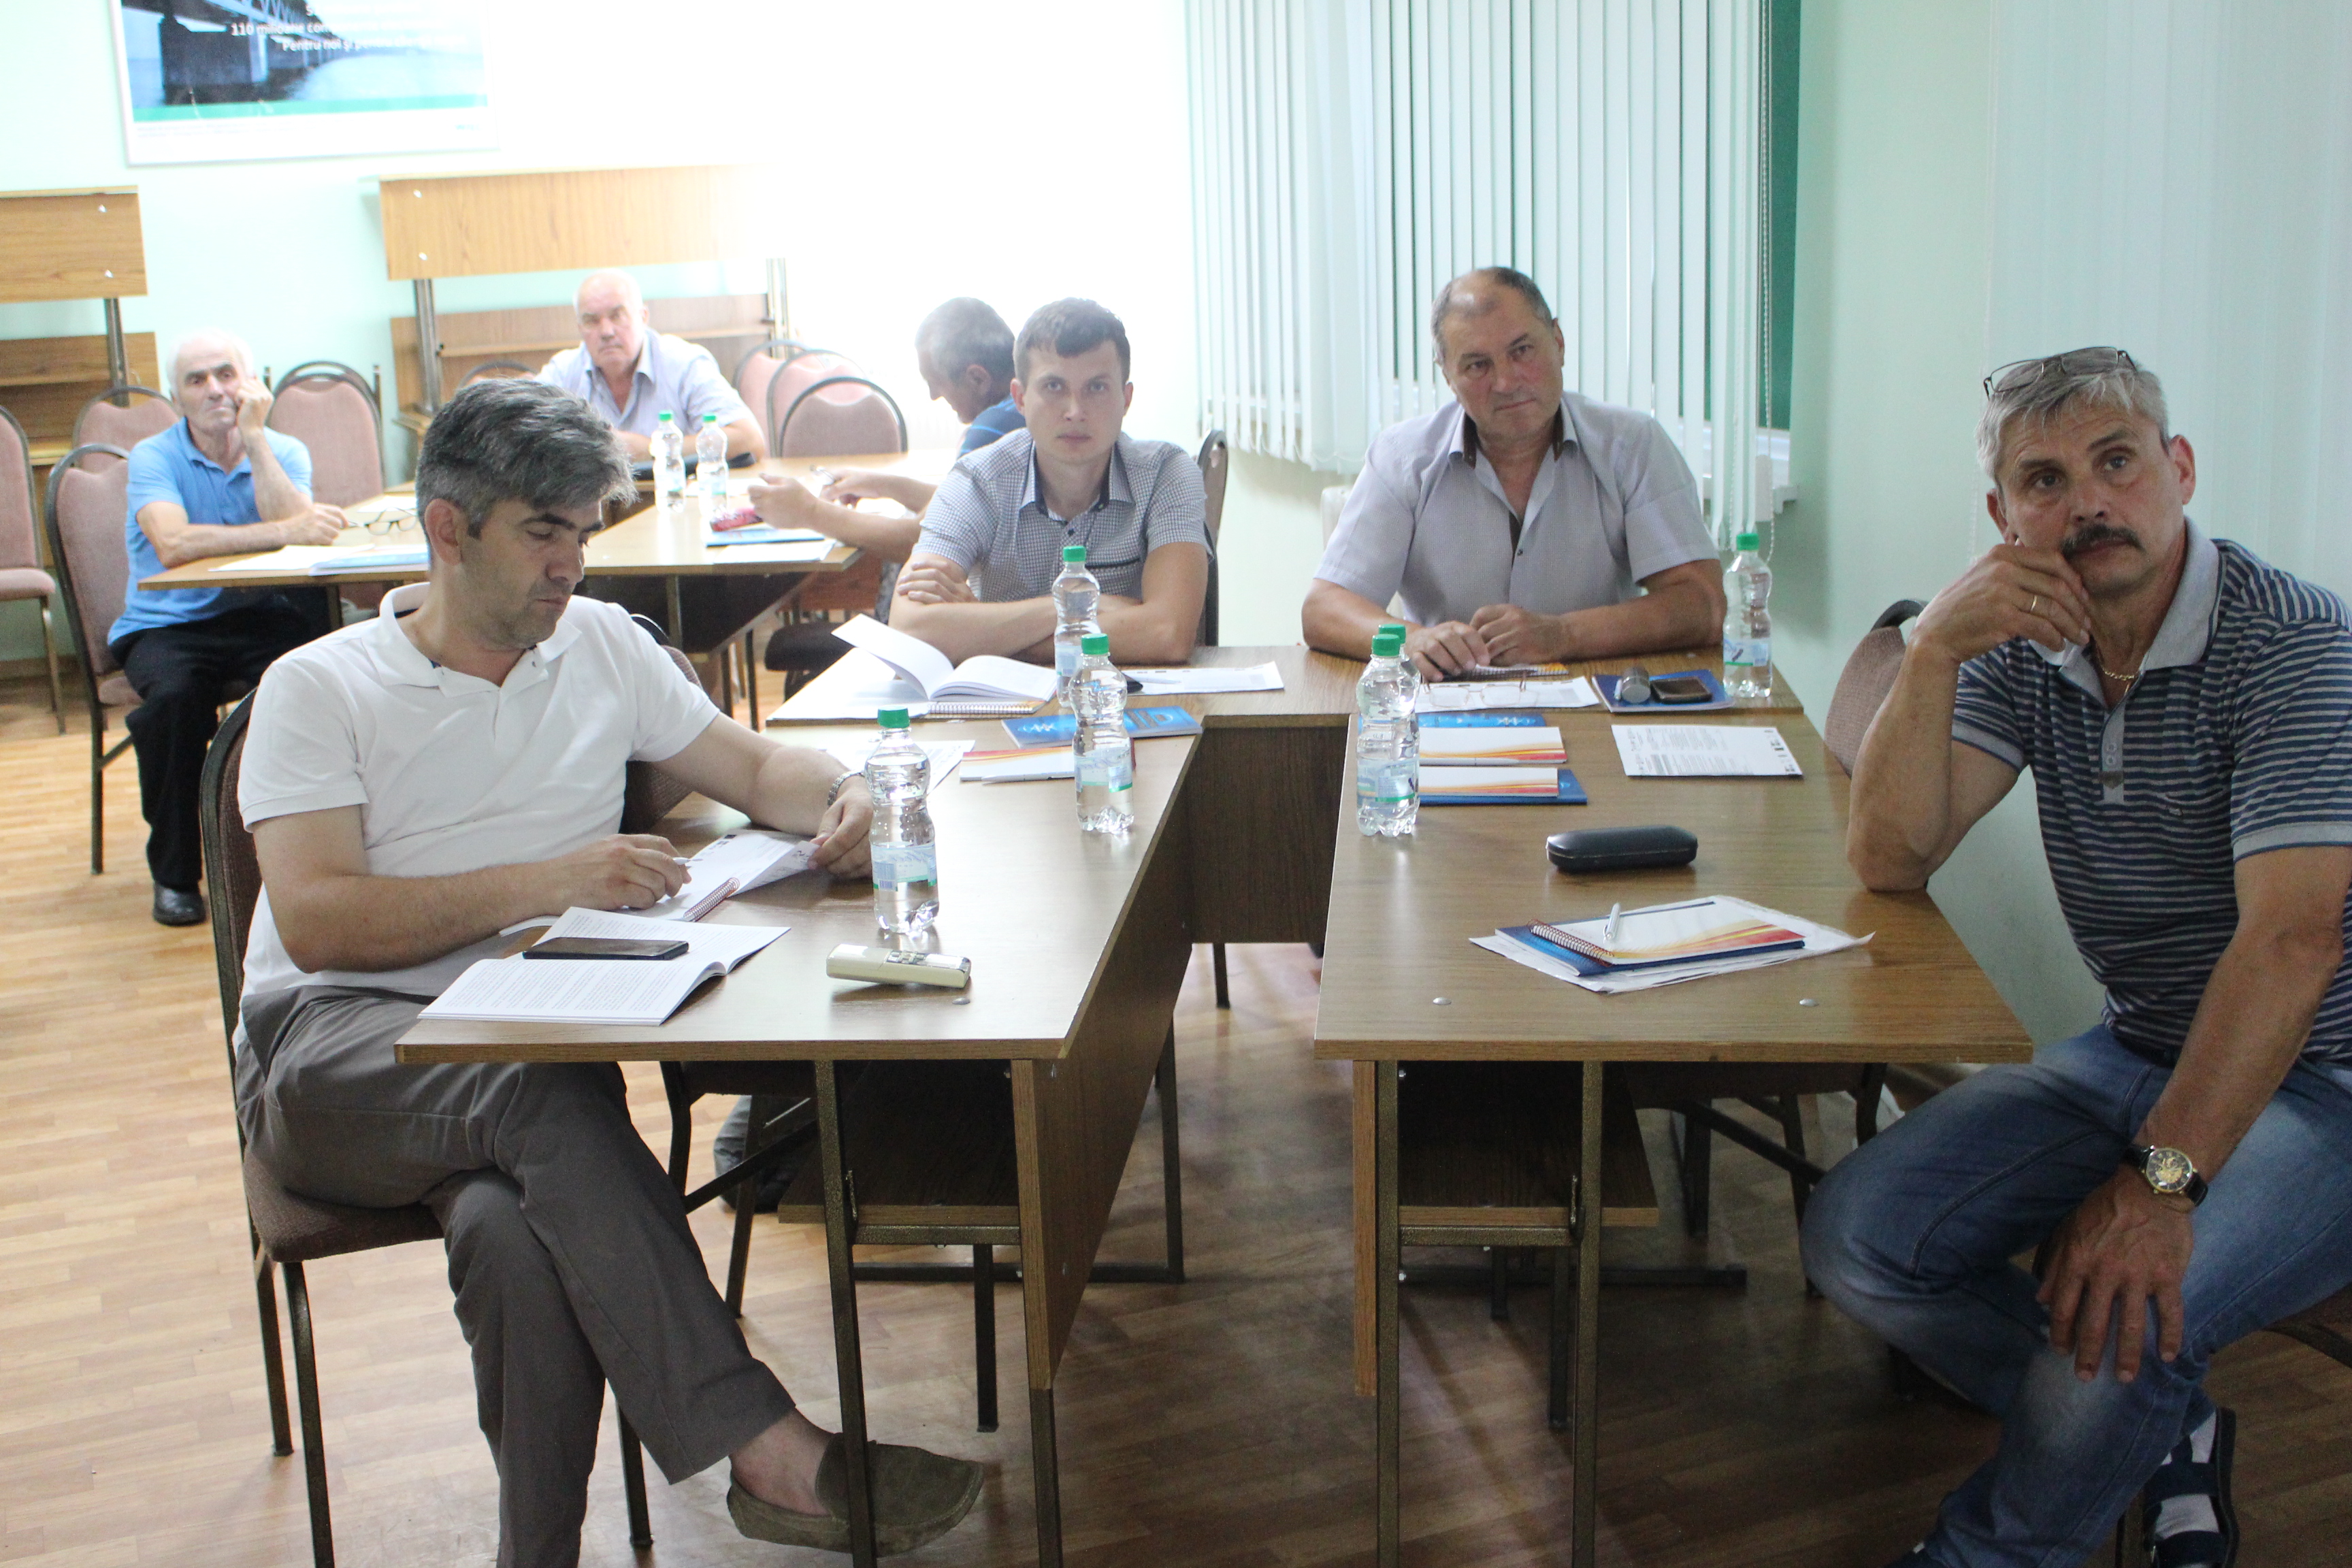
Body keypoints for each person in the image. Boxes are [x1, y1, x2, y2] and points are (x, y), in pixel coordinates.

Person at [232, 378, 983, 1565]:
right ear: (447, 528)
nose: (571, 564)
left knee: (512, 1234)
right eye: (544, 532)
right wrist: (545, 881)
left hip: (526, 1045)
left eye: (583, 532)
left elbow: (752, 767)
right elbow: (317, 922)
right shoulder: (320, 687)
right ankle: (766, 1446)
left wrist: (844, 789)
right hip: (332, 1054)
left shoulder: (598, 643)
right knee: (540, 1090)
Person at [1803, 348, 2352, 1568]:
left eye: (2117, 461)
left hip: (2323, 1078)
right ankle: (2162, 1429)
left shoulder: (2293, 644)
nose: (2089, 502)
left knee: (2120, 1316)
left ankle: (1990, 1547)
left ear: (2180, 468)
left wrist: (2160, 1188)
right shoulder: (2026, 636)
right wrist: (1932, 652)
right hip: (2136, 1042)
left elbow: (2291, 942)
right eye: (2044, 479)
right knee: (1859, 1233)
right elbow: (1891, 856)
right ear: (2003, 515)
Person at [1301, 267, 1725, 679]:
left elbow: (1702, 605)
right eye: (1477, 365)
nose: (1505, 382)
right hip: (1450, 701)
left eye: (1522, 351)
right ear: (1448, 375)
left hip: (1600, 694)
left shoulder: (1632, 446)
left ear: (1559, 342)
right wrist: (1413, 640)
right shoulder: (1403, 458)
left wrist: (1564, 634)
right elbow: (1324, 609)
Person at [108, 330, 344, 926]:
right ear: (176, 397)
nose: (215, 390)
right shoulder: (154, 456)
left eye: (226, 374)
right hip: (168, 625)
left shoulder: (283, 450)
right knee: (175, 703)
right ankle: (175, 876)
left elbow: (304, 535)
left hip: (259, 617)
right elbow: (173, 543)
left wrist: (255, 438)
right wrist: (282, 532)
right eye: (197, 380)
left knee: (317, 681)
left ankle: (304, 855)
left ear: (251, 383)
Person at [888, 297, 1210, 665]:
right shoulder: (977, 479)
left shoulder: (1166, 473)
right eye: (1054, 386)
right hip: (1000, 700)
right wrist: (1076, 607)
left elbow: (1167, 634)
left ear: (1126, 399)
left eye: (1097, 388)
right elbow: (910, 631)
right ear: (1020, 398)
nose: (1075, 411)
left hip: (1124, 695)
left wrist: (982, 634)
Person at [746, 297, 1022, 568]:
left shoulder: (993, 430)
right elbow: (959, 502)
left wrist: (810, 511)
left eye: (936, 382)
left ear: (978, 378)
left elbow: (920, 540)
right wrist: (881, 484)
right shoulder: (1018, 410)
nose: (933, 395)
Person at [536, 270, 764, 462]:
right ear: (580, 328)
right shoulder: (562, 372)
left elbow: (750, 440)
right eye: (591, 321)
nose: (606, 331)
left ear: (643, 317)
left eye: (617, 315)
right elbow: (522, 440)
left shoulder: (684, 364)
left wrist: (655, 450)